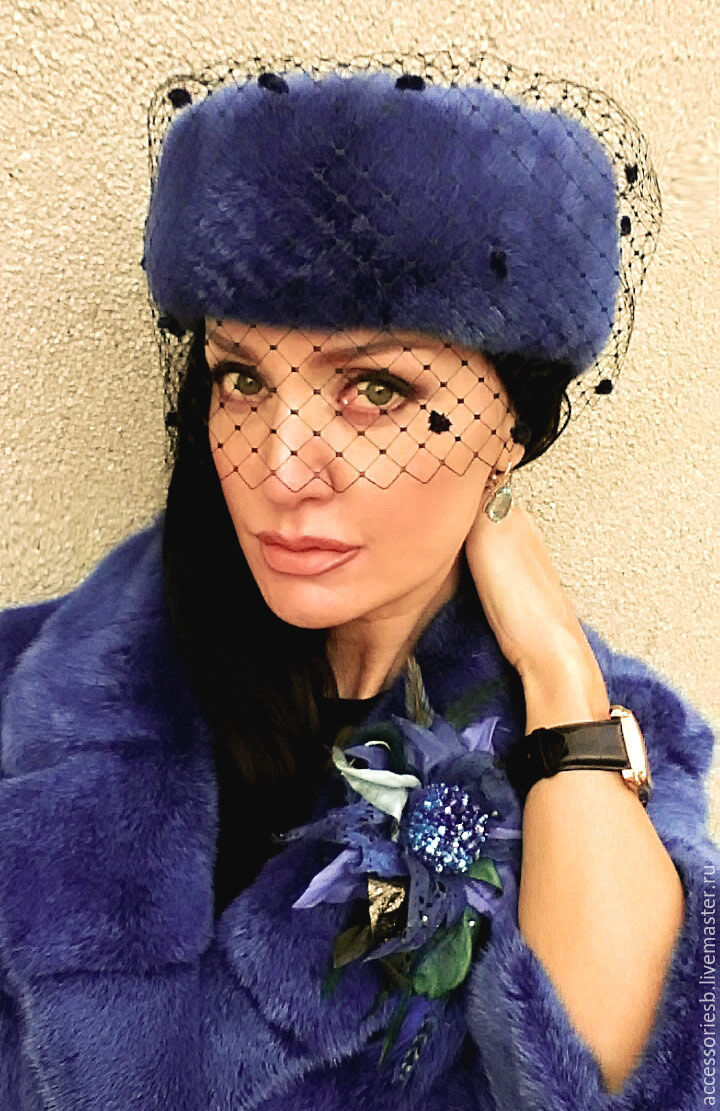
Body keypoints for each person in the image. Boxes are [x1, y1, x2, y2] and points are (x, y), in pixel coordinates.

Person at [0, 61, 716, 1110]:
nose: (281, 468)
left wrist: (560, 681)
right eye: (242, 377)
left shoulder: (600, 750)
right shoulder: (28, 690)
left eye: (377, 389)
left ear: (513, 429)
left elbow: (640, 1085)